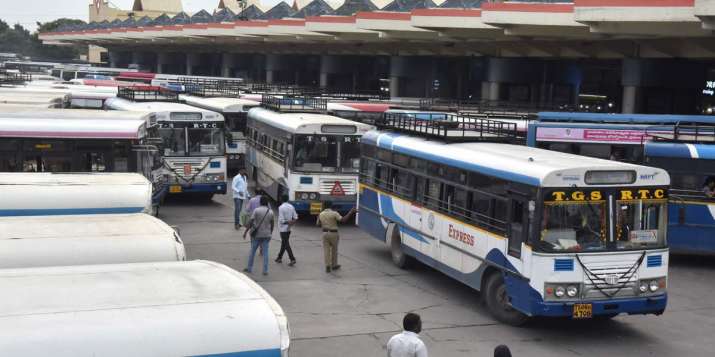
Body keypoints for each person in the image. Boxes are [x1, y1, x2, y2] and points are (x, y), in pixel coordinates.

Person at [316, 202, 356, 273]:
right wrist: (350, 212)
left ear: (323, 206)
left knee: (326, 250)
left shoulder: (321, 214)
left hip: (325, 233)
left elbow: (318, 224)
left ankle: (327, 265)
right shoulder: (334, 213)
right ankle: (334, 265)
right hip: (333, 233)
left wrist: (319, 218)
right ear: (331, 206)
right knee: (334, 250)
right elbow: (343, 220)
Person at [243, 196, 274, 276]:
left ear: (260, 202)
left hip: (257, 235)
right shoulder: (270, 212)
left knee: (252, 251)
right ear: (267, 203)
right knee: (266, 253)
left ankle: (249, 268)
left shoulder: (257, 210)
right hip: (266, 235)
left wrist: (246, 231)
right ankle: (265, 270)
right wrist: (270, 233)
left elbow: (251, 221)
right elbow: (272, 224)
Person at [276, 194, 298, 266]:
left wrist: (288, 223)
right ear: (288, 199)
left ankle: (292, 259)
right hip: (289, 229)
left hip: (283, 228)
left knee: (286, 244)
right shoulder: (291, 206)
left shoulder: (281, 208)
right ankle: (279, 257)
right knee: (284, 243)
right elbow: (295, 217)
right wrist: (290, 224)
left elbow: (282, 220)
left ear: (282, 199)